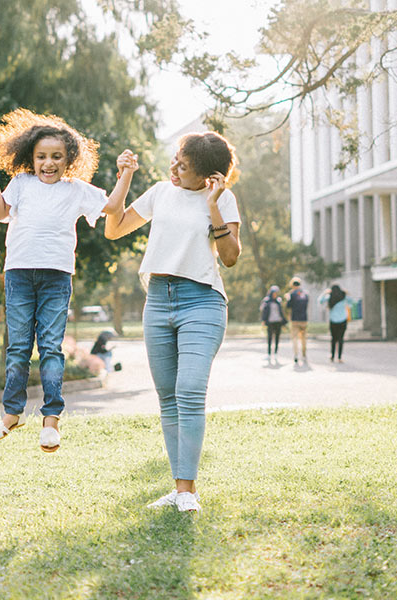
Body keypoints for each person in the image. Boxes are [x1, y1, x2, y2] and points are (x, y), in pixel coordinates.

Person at [0, 108, 137, 452]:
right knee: (19, 348)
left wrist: (125, 174)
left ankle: (51, 421)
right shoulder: (21, 183)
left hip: (56, 277)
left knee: (51, 347)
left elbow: (112, 207)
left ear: (70, 160)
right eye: (41, 157)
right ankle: (11, 414)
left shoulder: (76, 189)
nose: (48, 163)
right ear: (30, 158)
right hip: (19, 274)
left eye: (56, 157)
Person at [105, 131, 241, 513]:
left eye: (184, 166)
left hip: (202, 301)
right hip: (158, 300)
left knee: (190, 390)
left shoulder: (223, 198)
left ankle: (187, 492)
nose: (175, 169)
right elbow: (113, 229)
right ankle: (180, 488)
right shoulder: (161, 192)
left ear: (209, 176)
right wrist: (125, 177)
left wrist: (213, 205)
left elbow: (230, 257)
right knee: (168, 399)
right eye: (176, 161)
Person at [319, 284, 350, 363]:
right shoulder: (344, 297)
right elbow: (352, 302)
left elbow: (320, 300)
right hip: (343, 320)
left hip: (333, 321)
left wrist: (325, 293)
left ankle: (332, 356)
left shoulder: (330, 297)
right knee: (341, 339)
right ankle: (339, 357)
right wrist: (347, 293)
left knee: (333, 339)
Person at [284, 276, 309, 363]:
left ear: (292, 285)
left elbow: (288, 306)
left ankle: (296, 354)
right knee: (303, 338)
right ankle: (304, 354)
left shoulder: (291, 294)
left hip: (295, 319)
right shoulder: (305, 294)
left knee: (295, 338)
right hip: (304, 319)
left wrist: (288, 298)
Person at [259, 285, 286, 358]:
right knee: (270, 337)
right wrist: (263, 320)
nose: (275, 294)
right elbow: (262, 310)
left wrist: (283, 320)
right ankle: (269, 353)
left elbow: (281, 311)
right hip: (270, 321)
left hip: (278, 321)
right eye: (274, 293)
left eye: (276, 293)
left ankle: (276, 352)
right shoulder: (266, 300)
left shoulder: (278, 300)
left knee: (277, 337)